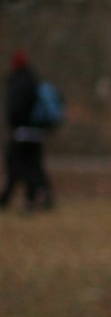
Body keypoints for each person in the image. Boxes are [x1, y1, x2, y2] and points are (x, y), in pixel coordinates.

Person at [1, 50, 55, 212]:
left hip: (23, 132)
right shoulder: (34, 80)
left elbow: (16, 110)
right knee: (33, 166)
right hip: (37, 133)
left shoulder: (19, 82)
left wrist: (14, 123)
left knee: (18, 166)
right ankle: (40, 195)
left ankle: (34, 195)